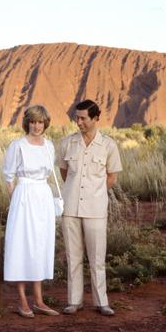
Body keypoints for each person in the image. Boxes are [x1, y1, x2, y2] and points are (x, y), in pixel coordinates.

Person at [56, 99, 122, 316]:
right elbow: (64, 173)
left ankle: (101, 302)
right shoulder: (67, 143)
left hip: (95, 208)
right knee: (73, 256)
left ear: (95, 118)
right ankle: (74, 301)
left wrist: (95, 192)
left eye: (83, 118)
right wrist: (75, 190)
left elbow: (112, 177)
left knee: (96, 257)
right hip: (71, 207)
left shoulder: (109, 145)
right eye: (77, 118)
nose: (79, 122)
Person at [3, 105, 60, 318]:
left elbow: (50, 172)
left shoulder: (49, 145)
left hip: (43, 196)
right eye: (33, 122)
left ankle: (39, 300)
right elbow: (9, 177)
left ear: (46, 123)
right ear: (27, 122)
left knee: (40, 245)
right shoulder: (17, 145)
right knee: (21, 244)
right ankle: (23, 300)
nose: (37, 126)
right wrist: (16, 199)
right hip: (24, 195)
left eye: (40, 122)